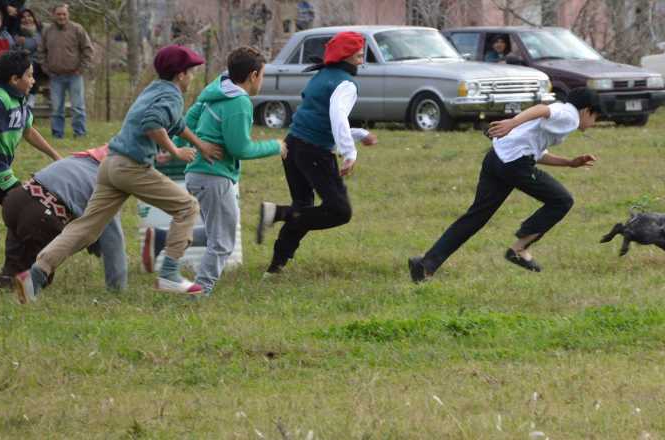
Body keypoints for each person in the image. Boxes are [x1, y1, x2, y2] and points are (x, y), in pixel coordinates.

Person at [13, 45, 225, 303]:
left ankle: (35, 275)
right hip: (131, 168)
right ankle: (169, 273)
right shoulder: (172, 96)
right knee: (187, 207)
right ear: (180, 74)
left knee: (87, 228)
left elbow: (176, 123)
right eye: (190, 72)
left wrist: (200, 145)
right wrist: (176, 152)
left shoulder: (155, 89)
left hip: (109, 164)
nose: (192, 77)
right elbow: (153, 124)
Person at [407, 88, 601, 283]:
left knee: (476, 216)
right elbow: (542, 109)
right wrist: (513, 122)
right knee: (562, 201)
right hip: (514, 164)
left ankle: (425, 265)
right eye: (596, 116)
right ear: (587, 111)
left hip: (497, 158)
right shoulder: (570, 116)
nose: (594, 123)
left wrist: (569, 163)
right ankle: (519, 249)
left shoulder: (560, 114)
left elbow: (536, 152)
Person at [256, 31, 377, 275]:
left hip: (292, 146)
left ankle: (275, 267)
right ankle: (277, 212)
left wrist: (360, 134)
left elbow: (319, 117)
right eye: (359, 54)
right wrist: (348, 152)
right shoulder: (346, 83)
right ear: (347, 57)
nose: (362, 59)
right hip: (313, 152)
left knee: (304, 206)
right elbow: (336, 115)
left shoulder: (323, 75)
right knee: (339, 211)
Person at [172, 46, 286, 296]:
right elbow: (239, 148)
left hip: (198, 174)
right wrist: (274, 146)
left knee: (217, 233)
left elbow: (189, 118)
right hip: (214, 177)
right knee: (223, 242)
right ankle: (200, 291)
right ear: (254, 76)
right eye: (263, 75)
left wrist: (180, 149)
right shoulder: (239, 101)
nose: (262, 81)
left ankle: (170, 246)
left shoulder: (217, 89)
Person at [0, 145, 127, 291]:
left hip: (16, 199)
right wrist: (117, 287)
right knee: (38, 278)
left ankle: (7, 280)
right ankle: (23, 290)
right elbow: (112, 239)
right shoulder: (110, 182)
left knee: (13, 269)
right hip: (41, 217)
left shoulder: (78, 159)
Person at [0, 50, 60, 221]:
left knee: (30, 214)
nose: (33, 80)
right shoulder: (0, 100)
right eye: (29, 76)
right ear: (15, 79)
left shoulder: (20, 100)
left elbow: (28, 131)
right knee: (32, 213)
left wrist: (55, 155)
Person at [38, 4, 94, 139]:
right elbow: (41, 52)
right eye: (59, 14)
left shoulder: (77, 29)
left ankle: (79, 133)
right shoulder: (47, 31)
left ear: (68, 15)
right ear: (54, 15)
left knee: (78, 108)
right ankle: (57, 134)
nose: (61, 17)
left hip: (74, 75)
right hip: (55, 76)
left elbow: (88, 49)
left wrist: (81, 68)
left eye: (64, 14)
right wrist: (46, 68)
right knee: (57, 108)